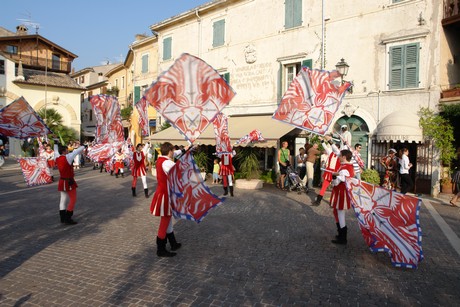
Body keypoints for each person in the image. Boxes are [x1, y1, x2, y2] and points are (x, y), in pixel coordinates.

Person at [150, 142, 185, 257]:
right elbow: (180, 171)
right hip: (165, 195)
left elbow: (176, 154)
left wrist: (185, 149)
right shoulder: (168, 162)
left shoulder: (160, 160)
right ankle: (160, 249)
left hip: (163, 193)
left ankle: (173, 243)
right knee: (164, 222)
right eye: (172, 151)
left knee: (168, 220)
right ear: (169, 151)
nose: (173, 152)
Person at [54, 140, 85, 225]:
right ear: (64, 151)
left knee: (62, 200)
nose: (68, 151)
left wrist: (55, 143)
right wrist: (84, 146)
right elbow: (77, 151)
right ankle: (68, 218)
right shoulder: (68, 157)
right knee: (73, 199)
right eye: (67, 150)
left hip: (62, 180)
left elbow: (55, 150)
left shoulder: (56, 156)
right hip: (69, 181)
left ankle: (62, 218)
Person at [330, 149, 355, 244]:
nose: (338, 157)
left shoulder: (345, 168)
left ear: (344, 157)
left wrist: (334, 176)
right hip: (340, 192)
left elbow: (336, 183)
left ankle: (343, 237)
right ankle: (340, 234)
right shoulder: (346, 166)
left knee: (340, 213)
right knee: (337, 212)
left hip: (341, 193)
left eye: (340, 155)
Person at [313, 135, 341, 206]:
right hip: (329, 172)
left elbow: (335, 148)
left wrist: (329, 140)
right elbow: (325, 147)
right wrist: (321, 140)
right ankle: (318, 201)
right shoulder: (331, 153)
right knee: (324, 187)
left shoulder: (339, 154)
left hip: (335, 173)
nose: (334, 149)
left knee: (335, 188)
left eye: (336, 148)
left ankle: (334, 202)